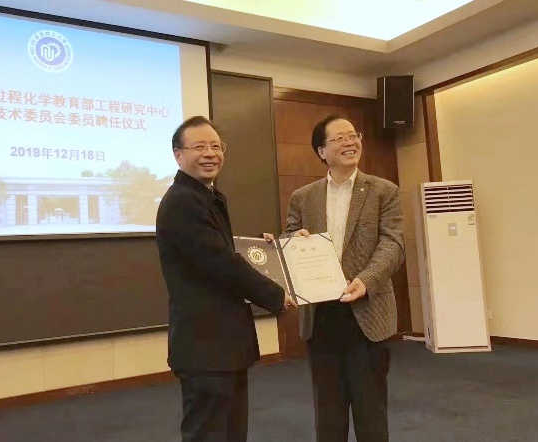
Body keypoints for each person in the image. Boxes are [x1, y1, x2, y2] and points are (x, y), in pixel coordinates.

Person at [156, 116, 297, 442]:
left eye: (216, 146)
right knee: (211, 433)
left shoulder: (204, 196)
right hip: (207, 347)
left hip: (220, 346)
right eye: (199, 147)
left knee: (230, 431)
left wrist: (265, 251)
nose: (210, 154)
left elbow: (221, 253)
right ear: (178, 155)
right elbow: (220, 263)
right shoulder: (183, 201)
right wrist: (275, 293)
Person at [281, 115, 405, 442]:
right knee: (329, 414)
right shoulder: (303, 197)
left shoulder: (384, 191)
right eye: (339, 138)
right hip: (321, 316)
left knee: (371, 414)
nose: (350, 142)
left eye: (353, 136)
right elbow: (289, 240)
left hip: (368, 312)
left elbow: (393, 244)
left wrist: (367, 279)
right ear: (321, 151)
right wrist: (294, 241)